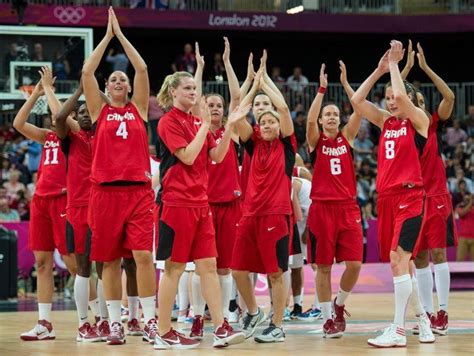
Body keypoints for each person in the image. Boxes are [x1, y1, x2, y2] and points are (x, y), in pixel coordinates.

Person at [155, 67, 249, 348]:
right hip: (176, 203)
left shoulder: (198, 122)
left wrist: (230, 125)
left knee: (209, 265)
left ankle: (220, 326)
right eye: (187, 89)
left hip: (200, 203)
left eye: (194, 89)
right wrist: (206, 125)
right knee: (174, 268)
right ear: (173, 92)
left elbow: (217, 156)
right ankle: (162, 331)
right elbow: (187, 156)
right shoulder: (168, 122)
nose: (193, 93)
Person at [351, 40, 435, 347]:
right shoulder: (386, 122)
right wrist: (379, 70)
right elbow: (358, 101)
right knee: (403, 264)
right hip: (385, 199)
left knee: (398, 258)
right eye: (386, 99)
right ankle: (423, 320)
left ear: (412, 101)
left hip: (411, 197)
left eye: (394, 97)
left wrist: (397, 66)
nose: (390, 101)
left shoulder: (420, 122)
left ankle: (398, 330)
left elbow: (401, 93)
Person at [81, 7, 157, 345]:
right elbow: (87, 71)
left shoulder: (139, 110)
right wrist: (106, 37)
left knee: (142, 257)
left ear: (127, 88)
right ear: (106, 88)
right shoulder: (98, 111)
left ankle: (149, 319)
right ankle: (114, 323)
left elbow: (141, 66)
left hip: (139, 192)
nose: (117, 82)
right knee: (108, 261)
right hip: (105, 193)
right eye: (113, 79)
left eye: (121, 80)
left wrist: (121, 35)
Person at [231, 51, 295, 343]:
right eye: (263, 121)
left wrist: (264, 79)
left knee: (275, 274)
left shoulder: (287, 145)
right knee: (237, 270)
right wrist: (252, 87)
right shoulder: (253, 144)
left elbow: (281, 107)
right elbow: (236, 116)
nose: (268, 124)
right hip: (250, 214)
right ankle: (254, 312)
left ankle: (278, 325)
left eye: (272, 122)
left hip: (275, 215)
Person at [401, 40, 458, 335]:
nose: (418, 105)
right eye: (415, 102)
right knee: (420, 258)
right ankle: (425, 314)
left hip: (435, 196)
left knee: (438, 255)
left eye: (421, 102)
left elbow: (448, 95)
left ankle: (443, 312)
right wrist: (403, 69)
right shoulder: (402, 129)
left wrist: (424, 67)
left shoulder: (433, 123)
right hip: (412, 199)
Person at [188, 37, 243, 340]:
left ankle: (225, 318)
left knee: (224, 270)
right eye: (210, 105)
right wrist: (199, 68)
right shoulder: (197, 130)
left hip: (230, 204)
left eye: (218, 105)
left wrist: (227, 62)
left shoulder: (231, 131)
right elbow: (194, 97)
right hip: (204, 205)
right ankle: (197, 317)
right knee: (201, 268)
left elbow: (236, 97)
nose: (215, 108)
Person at [17, 68, 77, 341]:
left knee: (75, 266)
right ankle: (44, 323)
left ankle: (96, 319)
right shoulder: (47, 137)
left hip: (65, 199)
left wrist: (51, 92)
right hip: (41, 201)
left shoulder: (74, 138)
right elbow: (19, 123)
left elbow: (59, 116)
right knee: (42, 264)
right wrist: (38, 93)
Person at [306, 62, 363, 338]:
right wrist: (322, 90)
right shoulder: (316, 141)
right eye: (327, 114)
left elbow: (360, 108)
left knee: (354, 265)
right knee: (324, 267)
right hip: (321, 209)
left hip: (347, 207)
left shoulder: (347, 137)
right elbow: (308, 121)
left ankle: (339, 305)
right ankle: (328, 319)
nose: (331, 117)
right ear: (321, 119)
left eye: (335, 114)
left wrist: (347, 84)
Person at [55, 83, 110, 342]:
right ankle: (82, 324)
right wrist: (79, 90)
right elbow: (58, 117)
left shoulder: (103, 135)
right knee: (83, 267)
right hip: (78, 209)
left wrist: (96, 88)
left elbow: (117, 108)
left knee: (104, 265)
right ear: (76, 117)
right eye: (82, 112)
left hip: (103, 206)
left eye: (91, 110)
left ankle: (103, 320)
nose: (87, 114)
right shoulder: (70, 139)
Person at [456, 193, 474, 261]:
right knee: (459, 260)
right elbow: (461, 214)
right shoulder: (460, 206)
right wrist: (470, 203)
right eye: (467, 198)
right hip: (463, 238)